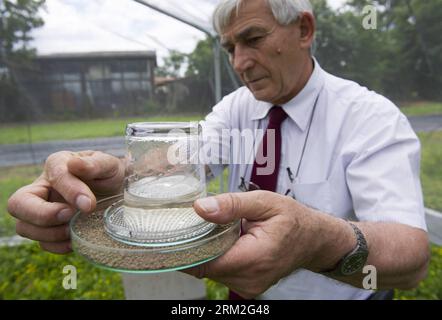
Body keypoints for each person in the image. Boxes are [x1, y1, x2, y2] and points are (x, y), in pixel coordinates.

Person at [7, 0, 429, 300]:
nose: (240, 62)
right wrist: (105, 175)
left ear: (304, 30)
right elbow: (174, 162)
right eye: (230, 48)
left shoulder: (369, 116)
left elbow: (410, 258)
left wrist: (316, 239)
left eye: (253, 38)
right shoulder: (237, 107)